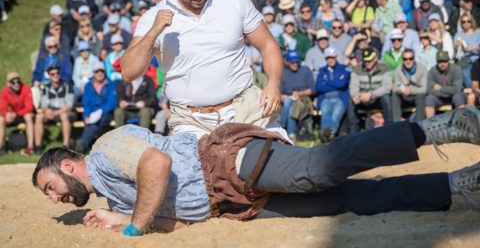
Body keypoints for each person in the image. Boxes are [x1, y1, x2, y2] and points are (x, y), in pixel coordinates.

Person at [32, 107, 480, 235]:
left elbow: (158, 162)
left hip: (224, 162)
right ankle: (457, 186)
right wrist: (119, 215)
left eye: (50, 187)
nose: (55, 198)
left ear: (67, 165)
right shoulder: (114, 194)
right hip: (228, 204)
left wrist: (132, 227)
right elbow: (180, 218)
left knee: (317, 169)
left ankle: (436, 127)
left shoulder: (107, 149)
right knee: (343, 201)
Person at [121, 0, 285, 139]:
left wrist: (273, 84)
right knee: (192, 167)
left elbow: (268, 45)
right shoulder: (153, 17)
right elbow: (128, 72)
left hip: (245, 108)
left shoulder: (234, 1)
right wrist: (153, 32)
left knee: (279, 160)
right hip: (191, 120)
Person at [75, 62, 117, 153]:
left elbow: (111, 103)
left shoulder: (111, 85)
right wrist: (86, 115)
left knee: (97, 121)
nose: (99, 73)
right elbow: (86, 103)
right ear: (93, 73)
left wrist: (100, 111)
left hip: (106, 113)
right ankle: (87, 144)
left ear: (105, 72)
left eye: (101, 71)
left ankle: (82, 143)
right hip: (91, 112)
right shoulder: (88, 86)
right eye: (97, 71)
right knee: (90, 121)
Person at [348, 48, 393, 133]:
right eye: (366, 61)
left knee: (386, 97)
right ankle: (353, 131)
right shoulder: (357, 69)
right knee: (351, 99)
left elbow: (387, 87)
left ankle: (389, 127)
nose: (367, 63)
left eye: (370, 60)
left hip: (377, 99)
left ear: (375, 58)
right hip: (362, 99)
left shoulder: (384, 67)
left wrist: (371, 94)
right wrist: (356, 96)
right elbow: (353, 86)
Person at [35, 66, 74, 149]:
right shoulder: (46, 89)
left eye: (57, 73)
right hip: (51, 113)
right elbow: (43, 105)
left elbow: (69, 106)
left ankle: (66, 146)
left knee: (64, 115)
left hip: (66, 112)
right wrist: (47, 111)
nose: (55, 75)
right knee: (39, 116)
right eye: (52, 74)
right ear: (49, 76)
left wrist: (56, 112)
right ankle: (37, 146)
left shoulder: (68, 86)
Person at [315, 47, 350, 141]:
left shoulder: (344, 68)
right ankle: (327, 135)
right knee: (325, 114)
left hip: (340, 98)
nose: (330, 60)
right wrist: (336, 83)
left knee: (335, 115)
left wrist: (327, 82)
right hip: (325, 98)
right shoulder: (322, 70)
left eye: (332, 57)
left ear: (336, 57)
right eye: (328, 58)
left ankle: (329, 136)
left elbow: (342, 83)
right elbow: (318, 87)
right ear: (326, 59)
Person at [280, 50, 315, 141]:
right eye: (292, 62)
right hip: (288, 97)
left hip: (303, 98)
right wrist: (281, 96)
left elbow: (313, 89)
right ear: (287, 62)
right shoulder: (283, 72)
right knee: (289, 102)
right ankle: (291, 135)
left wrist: (300, 93)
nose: (295, 64)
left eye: (296, 61)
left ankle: (282, 127)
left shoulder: (305, 70)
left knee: (291, 105)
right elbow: (279, 90)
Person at [0, 72, 34, 155]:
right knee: (1, 120)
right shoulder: (4, 92)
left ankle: (30, 147)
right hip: (14, 114)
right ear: (8, 84)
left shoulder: (26, 88)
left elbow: (29, 108)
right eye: (13, 82)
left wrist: (16, 114)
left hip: (24, 114)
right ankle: (1, 147)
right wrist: (6, 114)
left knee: (28, 116)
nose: (16, 84)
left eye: (18, 81)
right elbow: (2, 107)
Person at [425, 51, 466, 119]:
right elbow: (429, 89)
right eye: (440, 62)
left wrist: (441, 88)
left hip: (455, 96)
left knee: (458, 97)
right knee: (429, 98)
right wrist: (447, 92)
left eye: (444, 61)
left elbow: (457, 89)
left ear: (449, 60)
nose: (442, 64)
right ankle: (430, 124)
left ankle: (462, 123)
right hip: (440, 98)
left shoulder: (456, 69)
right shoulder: (432, 70)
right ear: (436, 62)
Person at [391, 49, 428, 122]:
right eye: (405, 59)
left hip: (416, 96)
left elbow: (425, 88)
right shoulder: (399, 69)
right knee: (394, 95)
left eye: (410, 59)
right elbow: (395, 86)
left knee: (421, 96)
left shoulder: (422, 68)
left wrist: (411, 90)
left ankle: (419, 124)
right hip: (404, 96)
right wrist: (402, 90)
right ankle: (396, 124)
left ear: (414, 59)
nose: (408, 61)